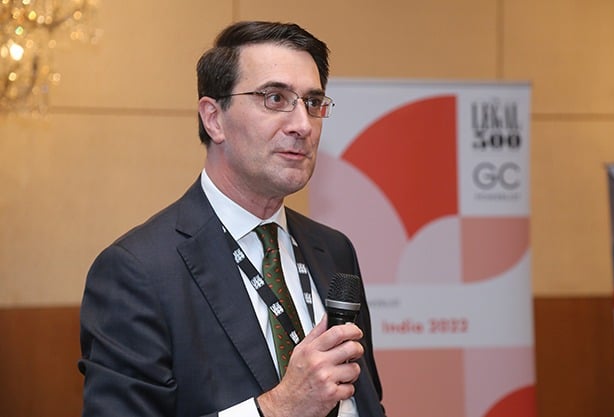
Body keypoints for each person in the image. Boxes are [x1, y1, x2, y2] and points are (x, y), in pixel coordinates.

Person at [79, 20, 385, 417]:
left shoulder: (334, 249)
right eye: (275, 98)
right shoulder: (138, 271)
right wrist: (276, 409)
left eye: (312, 103)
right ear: (214, 118)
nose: (302, 125)